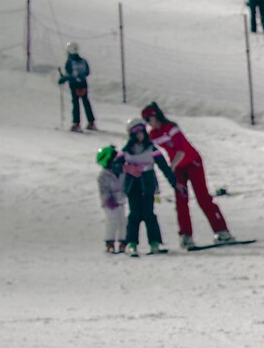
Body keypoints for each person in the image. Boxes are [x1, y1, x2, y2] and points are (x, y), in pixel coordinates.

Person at [140, 102, 235, 248]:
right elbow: (146, 149)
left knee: (203, 197)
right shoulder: (153, 134)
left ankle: (222, 231)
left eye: (148, 119)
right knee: (181, 201)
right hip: (178, 167)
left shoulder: (171, 128)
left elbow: (181, 151)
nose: (148, 123)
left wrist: (170, 167)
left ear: (155, 116)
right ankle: (185, 235)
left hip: (192, 163)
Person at [118, 121, 174, 256]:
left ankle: (154, 242)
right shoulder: (126, 150)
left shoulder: (151, 149)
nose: (140, 135)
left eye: (141, 132)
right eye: (136, 133)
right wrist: (128, 168)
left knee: (149, 213)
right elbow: (115, 166)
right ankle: (132, 243)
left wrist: (174, 183)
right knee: (134, 214)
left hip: (147, 184)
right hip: (133, 185)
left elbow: (164, 167)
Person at [96, 144, 128, 254]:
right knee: (112, 221)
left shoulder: (123, 172)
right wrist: (107, 199)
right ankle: (110, 241)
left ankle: (123, 240)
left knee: (122, 221)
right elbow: (103, 190)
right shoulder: (103, 175)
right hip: (109, 203)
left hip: (120, 200)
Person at [60, 42, 95, 132]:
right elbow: (87, 72)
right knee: (86, 103)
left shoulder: (69, 62)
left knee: (76, 104)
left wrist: (63, 79)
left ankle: (76, 123)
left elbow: (70, 75)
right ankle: (91, 122)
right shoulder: (83, 61)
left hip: (74, 85)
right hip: (83, 85)